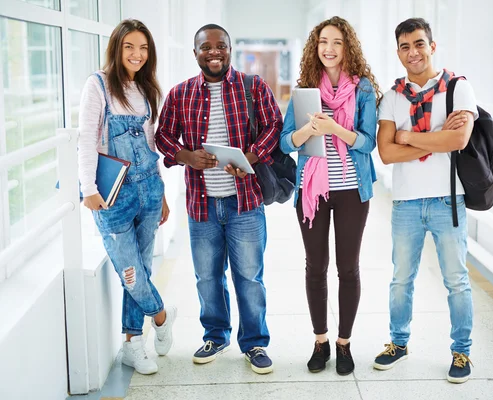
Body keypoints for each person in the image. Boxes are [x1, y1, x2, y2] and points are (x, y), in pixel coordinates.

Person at [155, 23, 282, 375]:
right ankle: (215, 335)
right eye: (206, 47)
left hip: (245, 203)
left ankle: (255, 343)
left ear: (230, 48)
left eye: (221, 46)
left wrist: (250, 158)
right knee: (207, 277)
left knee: (249, 278)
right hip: (202, 205)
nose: (214, 52)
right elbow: (163, 136)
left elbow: (275, 125)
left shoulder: (252, 87)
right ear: (195, 52)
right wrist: (186, 157)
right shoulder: (180, 94)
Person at [374, 18, 478, 383]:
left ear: (432, 47)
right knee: (401, 279)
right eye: (404, 46)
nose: (413, 52)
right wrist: (431, 138)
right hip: (405, 203)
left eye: (419, 44)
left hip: (447, 200)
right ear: (398, 52)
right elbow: (385, 154)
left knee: (456, 280)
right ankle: (398, 344)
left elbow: (458, 141)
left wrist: (406, 136)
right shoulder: (392, 96)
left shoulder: (457, 88)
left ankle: (461, 353)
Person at [280, 16, 380, 375]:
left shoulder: (363, 90)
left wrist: (336, 128)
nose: (329, 48)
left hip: (353, 189)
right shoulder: (305, 89)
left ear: (347, 47)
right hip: (313, 190)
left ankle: (344, 345)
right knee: (315, 268)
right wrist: (310, 126)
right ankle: (321, 341)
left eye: (337, 42)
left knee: (348, 268)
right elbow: (285, 140)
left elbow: (368, 143)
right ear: (315, 46)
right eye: (324, 41)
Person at [78, 19, 177, 375]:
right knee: (131, 272)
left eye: (144, 48)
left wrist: (162, 193)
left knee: (144, 266)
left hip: (149, 189)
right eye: (130, 47)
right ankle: (162, 316)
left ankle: (133, 344)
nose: (137, 54)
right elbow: (87, 137)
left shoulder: (147, 89)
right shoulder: (99, 85)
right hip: (113, 197)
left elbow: (149, 147)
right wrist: (88, 188)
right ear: (117, 48)